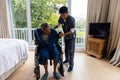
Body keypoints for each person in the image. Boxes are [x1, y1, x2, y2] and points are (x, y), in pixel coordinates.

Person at [54, 6, 76, 72]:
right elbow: (58, 24)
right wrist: (52, 29)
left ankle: (71, 64)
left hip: (72, 36)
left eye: (63, 15)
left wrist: (64, 34)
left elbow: (72, 30)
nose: (62, 16)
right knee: (66, 49)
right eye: (61, 15)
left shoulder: (71, 19)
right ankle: (67, 60)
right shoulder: (61, 17)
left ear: (67, 13)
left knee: (71, 51)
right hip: (66, 36)